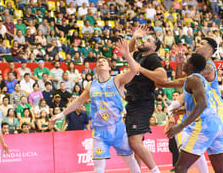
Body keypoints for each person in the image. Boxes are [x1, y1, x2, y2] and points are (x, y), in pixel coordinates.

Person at [51, 39, 141, 173]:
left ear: (109, 67)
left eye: (104, 61)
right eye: (99, 62)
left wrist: (127, 55)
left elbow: (135, 70)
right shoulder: (91, 85)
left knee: (130, 160)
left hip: (118, 129)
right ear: (96, 68)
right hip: (100, 132)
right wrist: (60, 115)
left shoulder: (117, 80)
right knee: (98, 167)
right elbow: (78, 102)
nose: (101, 62)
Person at [166, 54, 223, 173]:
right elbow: (203, 103)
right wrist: (183, 110)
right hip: (216, 126)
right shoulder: (198, 79)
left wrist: (181, 125)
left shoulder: (193, 79)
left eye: (186, 61)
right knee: (221, 170)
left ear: (191, 65)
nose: (184, 62)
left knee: (180, 168)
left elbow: (202, 104)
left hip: (204, 127)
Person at [126, 25, 167, 173]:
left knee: (135, 143)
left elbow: (162, 78)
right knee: (135, 143)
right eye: (144, 39)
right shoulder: (139, 56)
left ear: (154, 47)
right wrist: (134, 37)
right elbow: (129, 52)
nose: (144, 41)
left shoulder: (152, 58)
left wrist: (141, 69)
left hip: (142, 103)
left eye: (148, 40)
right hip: (133, 102)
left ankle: (156, 171)